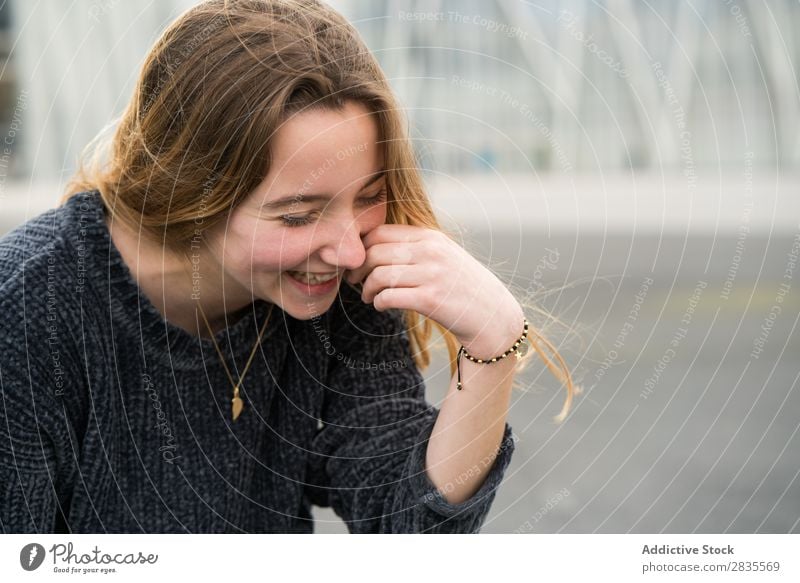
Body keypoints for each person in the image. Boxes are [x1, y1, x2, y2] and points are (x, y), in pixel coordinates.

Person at [0, 0, 576, 533]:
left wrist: (495, 341)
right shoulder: (29, 308)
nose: (349, 249)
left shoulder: (341, 279)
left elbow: (409, 528)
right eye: (299, 215)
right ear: (189, 193)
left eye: (368, 194)